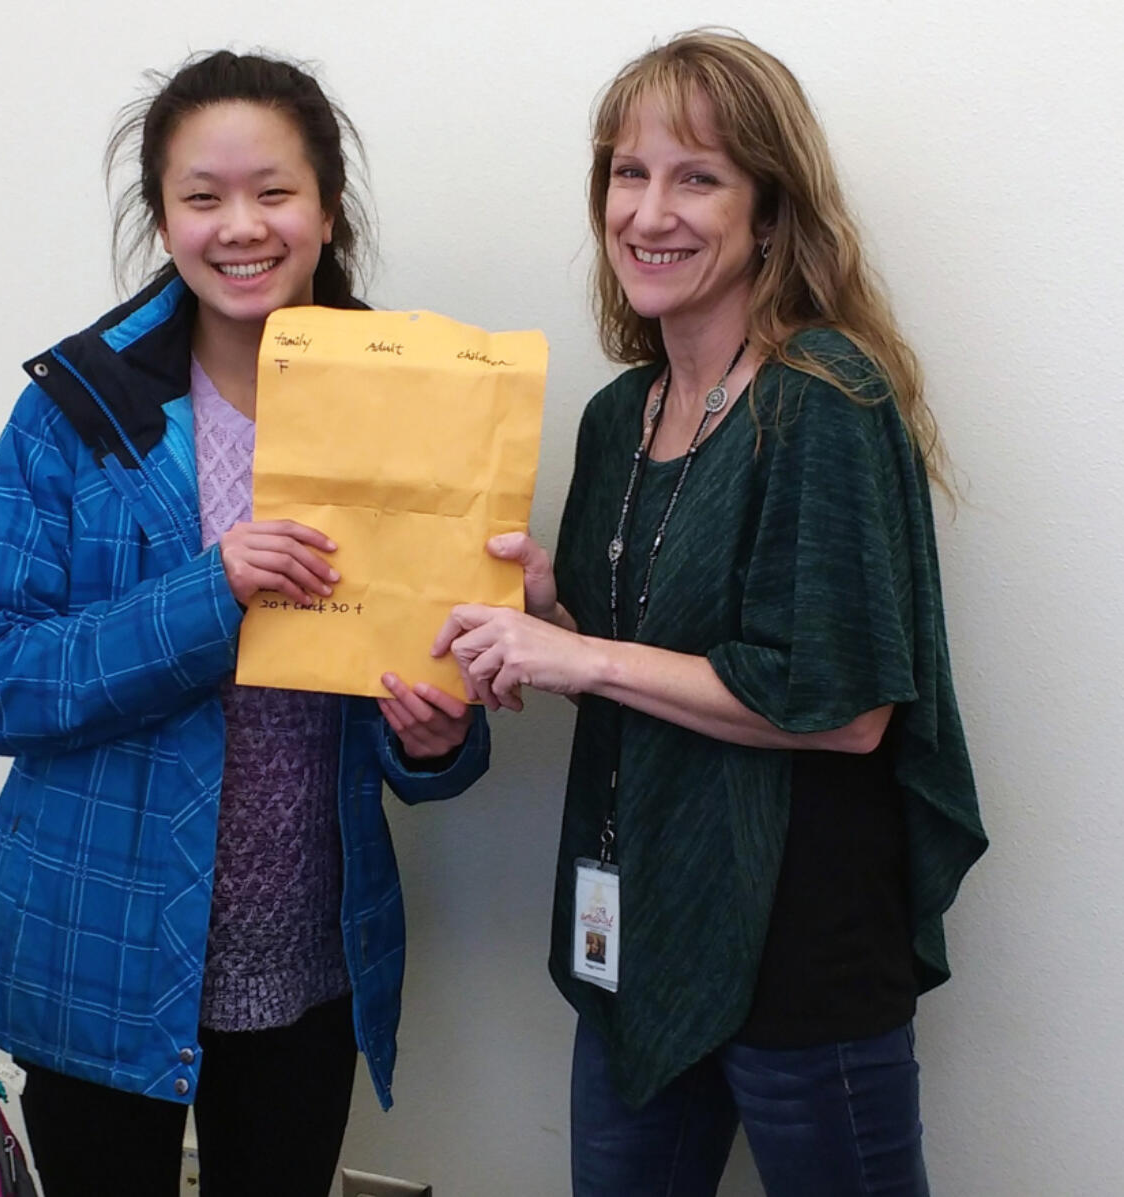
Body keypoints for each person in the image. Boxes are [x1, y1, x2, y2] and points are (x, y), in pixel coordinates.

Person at [435, 30, 987, 1197]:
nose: (649, 212)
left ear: (768, 212)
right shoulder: (614, 415)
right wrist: (546, 609)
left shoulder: (822, 399)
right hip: (634, 927)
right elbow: (645, 635)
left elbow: (841, 712)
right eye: (626, 175)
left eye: (697, 176)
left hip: (800, 946)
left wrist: (576, 656)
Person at [0, 50, 488, 1197]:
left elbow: (420, 687)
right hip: (100, 950)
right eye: (203, 197)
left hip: (305, 957)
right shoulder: (76, 411)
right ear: (163, 217)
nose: (242, 227)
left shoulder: (418, 403)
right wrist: (207, 592)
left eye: (274, 192)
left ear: (326, 208)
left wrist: (433, 739)